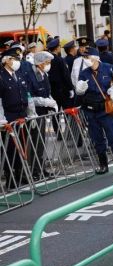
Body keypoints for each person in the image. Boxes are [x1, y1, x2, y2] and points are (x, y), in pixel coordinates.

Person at [75, 47, 113, 174]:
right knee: (97, 139)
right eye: (84, 58)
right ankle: (103, 164)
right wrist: (79, 90)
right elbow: (80, 90)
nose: (86, 60)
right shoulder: (84, 73)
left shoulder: (108, 68)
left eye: (88, 57)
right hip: (90, 110)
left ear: (95, 57)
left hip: (105, 109)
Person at [0, 47, 34, 187]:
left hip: (21, 114)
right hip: (9, 116)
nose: (17, 61)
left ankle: (20, 174)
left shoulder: (18, 74)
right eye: (14, 59)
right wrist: (1, 118)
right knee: (10, 148)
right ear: (7, 60)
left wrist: (31, 113)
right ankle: (10, 177)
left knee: (22, 145)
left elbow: (26, 94)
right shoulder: (1, 76)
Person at [27, 51, 59, 180]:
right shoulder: (31, 76)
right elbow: (30, 97)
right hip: (35, 113)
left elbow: (47, 92)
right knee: (36, 143)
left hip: (43, 112)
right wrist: (45, 101)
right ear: (40, 63)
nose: (48, 65)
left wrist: (51, 101)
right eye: (47, 62)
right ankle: (35, 171)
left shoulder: (44, 74)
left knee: (42, 142)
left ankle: (41, 168)